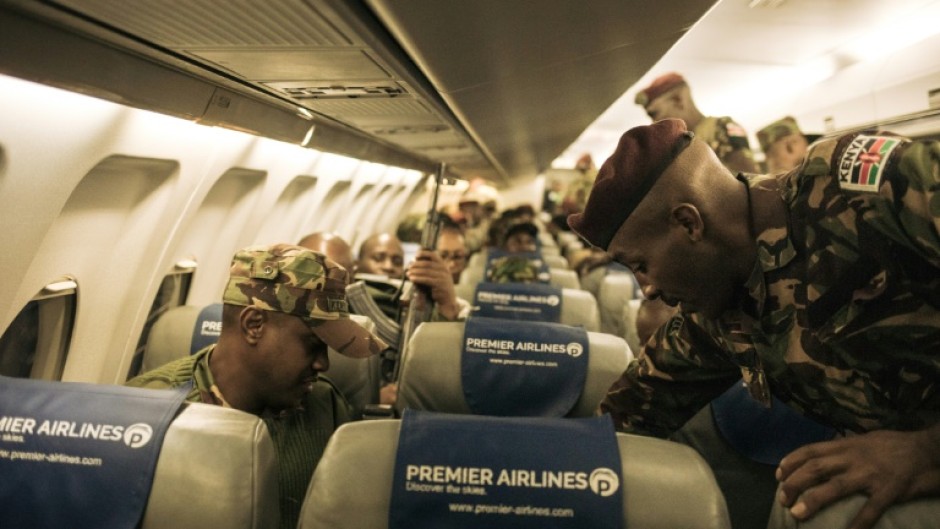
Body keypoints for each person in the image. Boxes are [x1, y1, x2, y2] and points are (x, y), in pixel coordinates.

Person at [567, 118, 940, 529]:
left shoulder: (851, 187)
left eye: (641, 265)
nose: (647, 289)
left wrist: (926, 449)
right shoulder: (715, 315)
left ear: (689, 223)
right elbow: (629, 412)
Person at [127, 244, 388, 529]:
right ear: (254, 325)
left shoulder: (326, 407)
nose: (323, 364)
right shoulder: (148, 412)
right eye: (313, 345)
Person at [635, 72, 758, 174]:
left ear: (678, 100)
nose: (654, 122)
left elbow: (747, 178)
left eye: (655, 113)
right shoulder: (679, 145)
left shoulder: (721, 127)